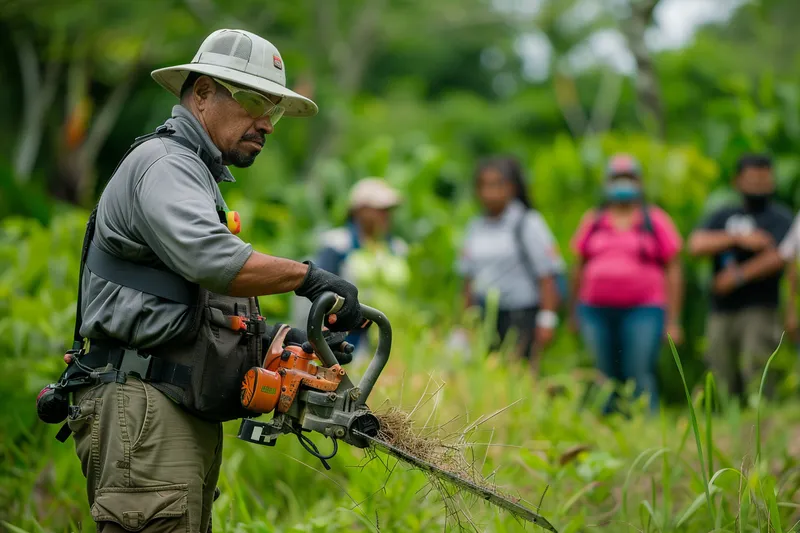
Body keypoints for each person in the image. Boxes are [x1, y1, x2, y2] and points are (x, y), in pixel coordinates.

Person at [47, 29, 367, 533]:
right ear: (201, 94)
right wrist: (307, 277)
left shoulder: (190, 173)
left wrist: (284, 342)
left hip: (168, 406)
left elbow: (193, 304)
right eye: (255, 102)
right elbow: (215, 262)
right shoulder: (168, 164)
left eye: (275, 111)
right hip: (145, 406)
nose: (267, 123)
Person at [569, 154, 684, 415]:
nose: (622, 184)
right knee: (602, 373)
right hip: (595, 310)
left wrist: (673, 320)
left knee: (638, 370)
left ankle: (645, 427)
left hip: (644, 309)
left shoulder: (655, 220)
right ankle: (605, 428)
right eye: (616, 178)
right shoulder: (594, 220)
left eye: (628, 178)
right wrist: (574, 312)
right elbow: (577, 265)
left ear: (640, 183)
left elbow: (674, 269)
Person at [691, 154, 794, 401]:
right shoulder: (723, 214)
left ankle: (762, 426)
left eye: (764, 179)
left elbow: (782, 255)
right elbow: (695, 244)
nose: (759, 185)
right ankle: (726, 426)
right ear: (737, 181)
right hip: (721, 309)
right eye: (752, 179)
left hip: (760, 307)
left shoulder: (781, 217)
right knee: (719, 371)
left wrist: (737, 276)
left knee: (757, 370)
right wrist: (738, 238)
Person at [458, 156, 565, 371]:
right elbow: (468, 278)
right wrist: (466, 321)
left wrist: (547, 319)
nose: (490, 193)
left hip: (520, 315)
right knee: (489, 372)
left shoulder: (527, 223)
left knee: (520, 372)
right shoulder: (475, 227)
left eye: (497, 184)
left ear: (512, 187)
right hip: (486, 315)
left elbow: (546, 275)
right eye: (484, 186)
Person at [293, 177, 409, 357]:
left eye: (388, 210)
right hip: (348, 341)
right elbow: (318, 292)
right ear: (359, 211)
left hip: (388, 341)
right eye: (380, 210)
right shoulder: (338, 244)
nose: (386, 215)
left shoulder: (398, 248)